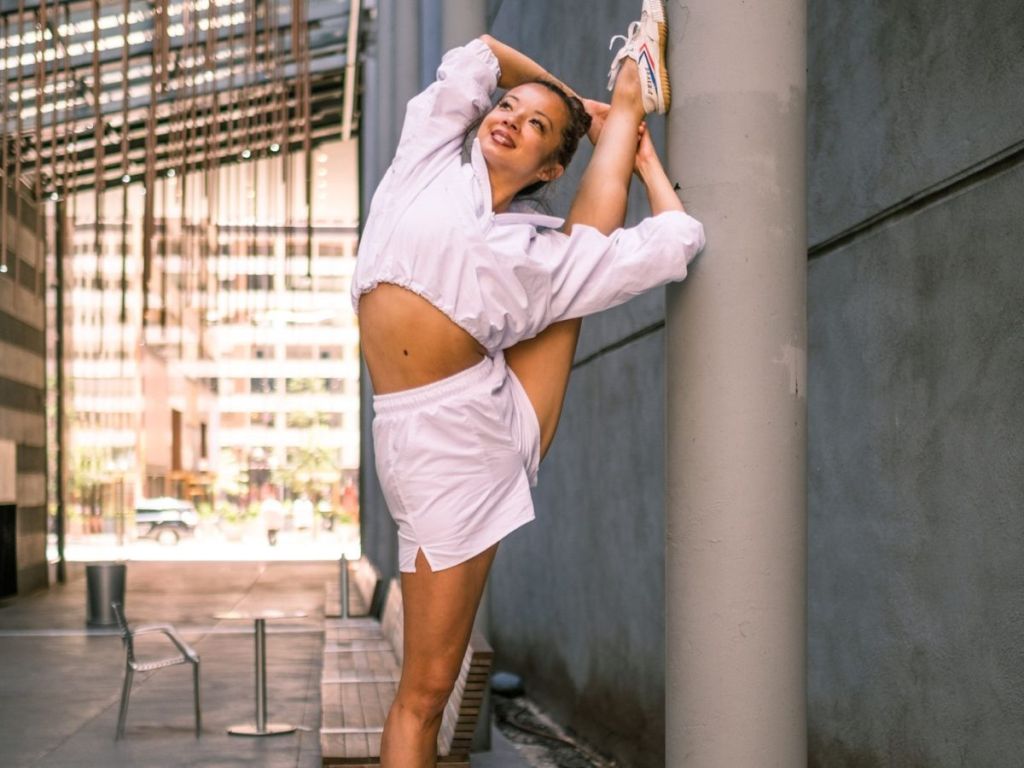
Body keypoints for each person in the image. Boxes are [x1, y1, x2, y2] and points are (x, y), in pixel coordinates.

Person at [352, 2, 704, 764]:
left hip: (469, 437)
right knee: (423, 690)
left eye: (535, 128)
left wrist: (643, 162)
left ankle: (633, 96)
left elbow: (676, 242)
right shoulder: (428, 157)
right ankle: (624, 90)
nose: (509, 118)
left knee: (425, 690)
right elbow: (480, 51)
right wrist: (570, 102)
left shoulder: (532, 255)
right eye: (509, 107)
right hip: (424, 430)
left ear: (548, 169)